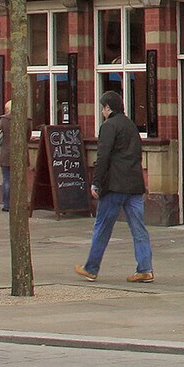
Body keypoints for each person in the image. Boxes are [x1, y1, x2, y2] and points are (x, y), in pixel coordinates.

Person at [75, 88, 153, 283]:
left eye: (103, 108)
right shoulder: (131, 126)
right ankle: (145, 269)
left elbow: (103, 157)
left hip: (114, 185)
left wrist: (96, 182)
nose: (102, 112)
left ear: (108, 107)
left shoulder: (108, 126)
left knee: (102, 227)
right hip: (134, 185)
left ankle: (91, 268)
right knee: (139, 229)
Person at [0, 100, 11, 212]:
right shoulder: (26, 120)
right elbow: (28, 136)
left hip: (5, 154)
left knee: (6, 180)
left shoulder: (3, 120)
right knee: (19, 180)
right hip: (20, 155)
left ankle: (7, 204)